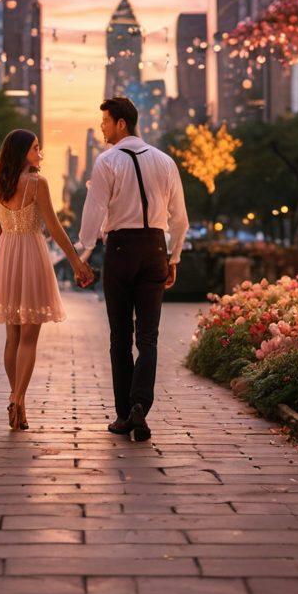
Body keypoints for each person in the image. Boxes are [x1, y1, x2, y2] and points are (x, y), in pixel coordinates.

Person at [77, 97, 188, 442]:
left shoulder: (107, 161)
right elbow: (180, 219)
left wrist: (83, 254)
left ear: (121, 123)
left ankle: (124, 414)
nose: (102, 128)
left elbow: (94, 212)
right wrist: (173, 257)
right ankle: (140, 404)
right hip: (155, 248)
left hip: (121, 249)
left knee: (120, 337)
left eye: (105, 122)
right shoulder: (165, 161)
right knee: (149, 336)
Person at [0, 129, 94, 430]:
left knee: (12, 338)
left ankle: (16, 399)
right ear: (21, 153)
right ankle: (18, 399)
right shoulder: (37, 183)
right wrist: (76, 262)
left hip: (5, 257)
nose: (40, 152)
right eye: (35, 148)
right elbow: (55, 229)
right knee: (29, 339)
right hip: (32, 255)